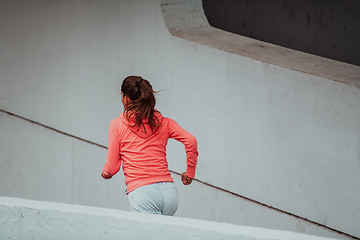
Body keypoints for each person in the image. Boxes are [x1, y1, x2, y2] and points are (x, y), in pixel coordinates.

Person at [101, 75, 198, 216]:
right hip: (169, 192)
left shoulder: (117, 125)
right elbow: (191, 140)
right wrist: (190, 172)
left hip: (143, 193)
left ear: (126, 99)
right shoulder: (165, 122)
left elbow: (112, 167)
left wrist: (106, 173)